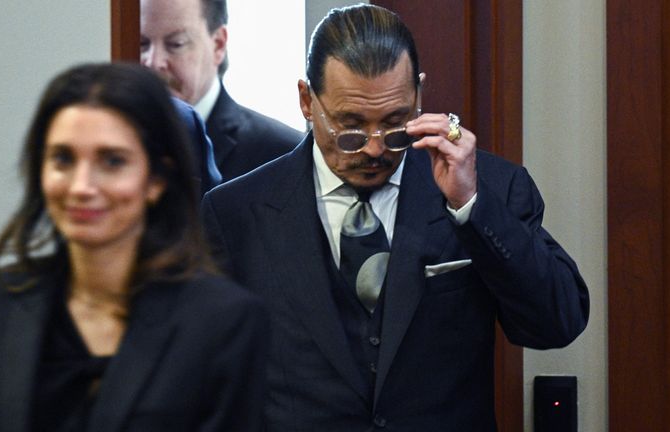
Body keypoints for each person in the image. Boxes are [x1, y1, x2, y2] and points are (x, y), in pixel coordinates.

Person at [201, 4, 590, 431]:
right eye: (350, 127)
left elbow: (557, 323)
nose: (373, 148)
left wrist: (471, 206)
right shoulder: (236, 213)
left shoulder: (492, 187)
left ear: (419, 96)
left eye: (394, 124)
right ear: (307, 102)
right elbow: (207, 379)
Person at [0, 62, 269, 432]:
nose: (82, 186)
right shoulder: (4, 297)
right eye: (63, 159)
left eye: (112, 161)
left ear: (155, 179)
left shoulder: (224, 322)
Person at [140, 0, 303, 182]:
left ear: (218, 44)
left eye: (176, 44)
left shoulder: (284, 153)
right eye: (142, 44)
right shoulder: (113, 140)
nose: (153, 62)